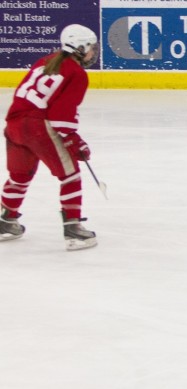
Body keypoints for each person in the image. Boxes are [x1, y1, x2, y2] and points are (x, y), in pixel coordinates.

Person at [1, 24, 100, 251]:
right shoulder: (77, 73)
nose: (93, 52)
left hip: (14, 124)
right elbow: (60, 117)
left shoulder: (45, 61)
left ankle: (5, 222)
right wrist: (74, 142)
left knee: (19, 176)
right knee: (70, 176)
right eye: (92, 48)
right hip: (38, 128)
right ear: (80, 47)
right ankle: (74, 230)